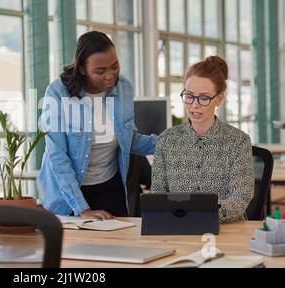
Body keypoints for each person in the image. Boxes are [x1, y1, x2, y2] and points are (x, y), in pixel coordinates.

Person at [37, 31, 157, 220]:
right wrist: (82, 209)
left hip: (110, 188)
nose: (110, 76)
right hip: (67, 195)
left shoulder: (123, 88)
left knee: (119, 245)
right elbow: (57, 156)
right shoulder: (58, 93)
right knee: (75, 249)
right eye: (100, 71)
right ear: (82, 69)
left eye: (115, 66)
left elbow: (128, 139)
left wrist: (170, 142)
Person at [151, 56, 254, 223]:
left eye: (204, 98)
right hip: (178, 228)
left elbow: (240, 197)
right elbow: (157, 195)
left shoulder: (238, 141)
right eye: (189, 96)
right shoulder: (166, 140)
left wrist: (202, 217)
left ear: (219, 98)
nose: (194, 105)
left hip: (226, 230)